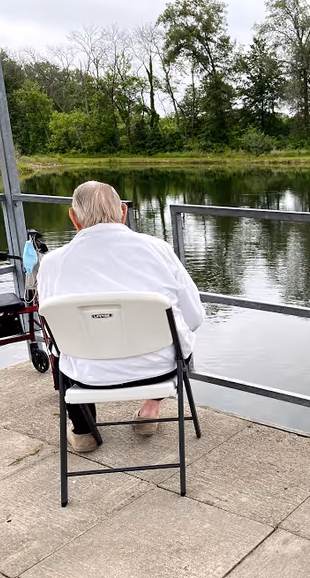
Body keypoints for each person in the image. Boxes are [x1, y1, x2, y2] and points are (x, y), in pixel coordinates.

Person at [37, 181, 204, 453]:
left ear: (74, 218)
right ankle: (150, 410)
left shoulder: (52, 263)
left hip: (86, 376)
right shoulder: (158, 250)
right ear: (123, 212)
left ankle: (83, 433)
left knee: (61, 349)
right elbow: (194, 316)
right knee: (178, 336)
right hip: (159, 371)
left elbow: (52, 327)